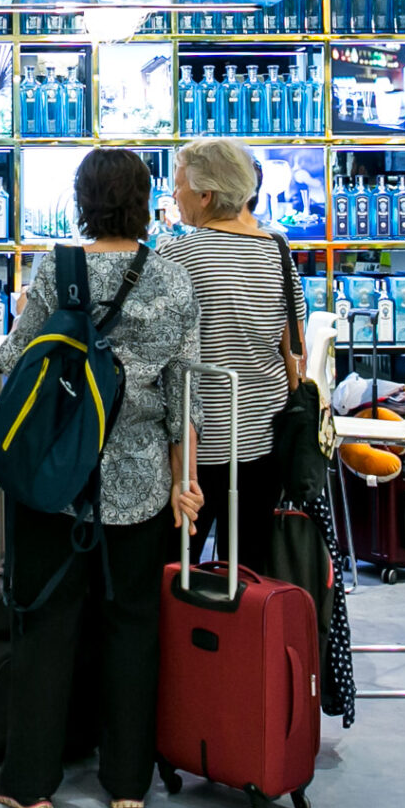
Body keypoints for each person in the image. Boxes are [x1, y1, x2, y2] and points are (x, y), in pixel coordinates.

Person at [0, 149, 202, 808]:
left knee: (47, 624)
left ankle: (29, 781)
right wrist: (183, 481)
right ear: (146, 200)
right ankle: (128, 778)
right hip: (139, 484)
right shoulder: (173, 281)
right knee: (133, 627)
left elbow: (15, 358)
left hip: (58, 479)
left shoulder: (58, 267)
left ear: (83, 200)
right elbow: (185, 393)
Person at [159, 138, 302, 575]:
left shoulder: (175, 254)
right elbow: (294, 352)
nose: (174, 194)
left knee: (182, 570)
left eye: (179, 184)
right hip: (264, 439)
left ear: (205, 195)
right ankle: (253, 644)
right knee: (253, 572)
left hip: (194, 449)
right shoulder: (278, 251)